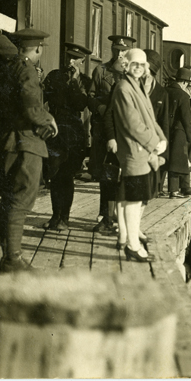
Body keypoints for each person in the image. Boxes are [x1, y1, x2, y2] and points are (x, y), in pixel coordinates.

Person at [0, 28, 57, 272]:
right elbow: (32, 108)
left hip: (5, 144)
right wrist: (48, 120)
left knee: (7, 200)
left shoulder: (1, 73)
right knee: (20, 200)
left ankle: (9, 256)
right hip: (26, 144)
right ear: (37, 48)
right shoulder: (26, 71)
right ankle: (12, 260)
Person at [111, 49, 167, 262]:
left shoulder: (136, 86)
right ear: (126, 64)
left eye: (142, 65)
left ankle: (128, 239)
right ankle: (133, 245)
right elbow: (132, 124)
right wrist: (154, 144)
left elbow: (150, 119)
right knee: (134, 199)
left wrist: (162, 139)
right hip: (134, 151)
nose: (139, 68)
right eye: (135, 64)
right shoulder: (124, 88)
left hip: (141, 150)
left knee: (131, 198)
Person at [41, 44, 91, 231]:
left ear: (81, 61)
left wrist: (76, 82)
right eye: (68, 57)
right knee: (55, 175)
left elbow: (81, 104)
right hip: (55, 132)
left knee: (67, 176)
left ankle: (65, 218)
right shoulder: (54, 76)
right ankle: (55, 216)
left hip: (74, 134)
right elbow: (42, 97)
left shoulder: (84, 81)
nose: (70, 62)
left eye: (75, 59)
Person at [87, 35, 131, 233]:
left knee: (120, 179)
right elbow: (91, 96)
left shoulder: (132, 77)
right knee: (106, 175)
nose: (119, 54)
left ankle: (117, 219)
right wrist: (100, 108)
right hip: (105, 130)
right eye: (116, 50)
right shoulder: (101, 70)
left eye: (123, 51)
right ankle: (107, 217)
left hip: (122, 134)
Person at [142, 49, 170, 195]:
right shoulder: (130, 87)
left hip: (151, 144)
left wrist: (163, 154)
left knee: (148, 188)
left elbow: (164, 123)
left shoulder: (161, 93)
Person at [165, 67, 191, 198]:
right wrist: (190, 135)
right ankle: (175, 190)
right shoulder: (184, 96)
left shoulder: (164, 91)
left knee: (167, 159)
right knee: (178, 161)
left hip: (164, 130)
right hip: (179, 131)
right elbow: (186, 118)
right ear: (184, 82)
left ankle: (165, 189)